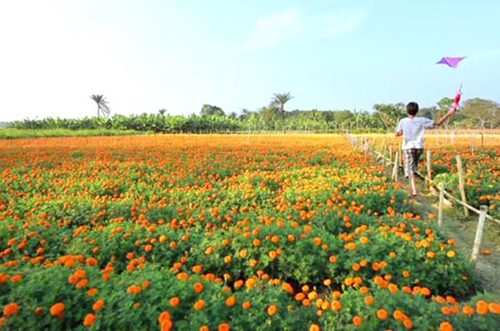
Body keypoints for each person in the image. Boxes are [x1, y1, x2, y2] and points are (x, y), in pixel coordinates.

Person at [395, 100, 458, 197]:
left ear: (407, 111)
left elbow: (397, 134)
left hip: (408, 147)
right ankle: (416, 182)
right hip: (419, 147)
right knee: (414, 167)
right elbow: (438, 123)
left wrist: (403, 133)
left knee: (410, 169)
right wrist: (449, 113)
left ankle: (414, 190)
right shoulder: (421, 120)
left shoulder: (403, 121)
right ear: (417, 111)